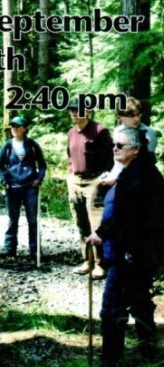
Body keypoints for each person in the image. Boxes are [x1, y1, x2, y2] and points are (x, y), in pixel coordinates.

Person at [87, 127, 164, 367]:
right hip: (136, 253)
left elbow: (124, 215)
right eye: (114, 144)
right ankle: (149, 352)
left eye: (120, 145)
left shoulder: (139, 175)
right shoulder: (137, 171)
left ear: (136, 149)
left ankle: (110, 364)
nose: (114, 148)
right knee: (140, 302)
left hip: (129, 254)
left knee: (112, 308)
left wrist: (100, 233)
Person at [66, 100, 113, 279]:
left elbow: (110, 157)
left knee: (96, 224)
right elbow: (70, 156)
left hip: (94, 180)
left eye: (78, 110)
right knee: (81, 222)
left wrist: (103, 178)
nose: (74, 113)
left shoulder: (99, 131)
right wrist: (70, 175)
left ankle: (101, 263)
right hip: (75, 180)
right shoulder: (71, 133)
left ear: (88, 111)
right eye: (72, 110)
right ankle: (88, 261)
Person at [0, 116, 47, 260]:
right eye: (13, 126)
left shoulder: (32, 145)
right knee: (13, 219)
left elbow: (42, 165)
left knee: (32, 219)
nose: (14, 129)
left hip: (30, 187)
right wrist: (3, 181)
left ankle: (35, 251)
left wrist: (38, 179)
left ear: (24, 128)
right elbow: (0, 166)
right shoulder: (7, 145)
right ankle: (9, 249)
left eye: (18, 126)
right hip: (12, 187)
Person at [100, 97, 158, 186]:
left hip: (140, 179)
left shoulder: (148, 133)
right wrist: (111, 175)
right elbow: (118, 162)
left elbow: (146, 163)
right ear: (120, 117)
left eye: (138, 115)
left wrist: (117, 178)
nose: (136, 119)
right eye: (132, 116)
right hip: (120, 177)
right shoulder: (117, 131)